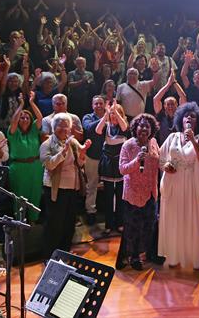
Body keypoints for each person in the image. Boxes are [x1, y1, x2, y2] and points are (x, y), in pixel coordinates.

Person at [158, 102, 199, 270]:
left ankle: (196, 259)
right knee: (175, 219)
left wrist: (193, 140)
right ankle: (174, 256)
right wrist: (166, 166)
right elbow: (161, 157)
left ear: (198, 121)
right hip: (173, 182)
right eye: (186, 116)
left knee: (191, 220)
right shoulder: (172, 137)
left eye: (193, 116)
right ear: (180, 119)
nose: (189, 118)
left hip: (191, 184)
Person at [39, 113, 92, 257]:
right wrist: (63, 151)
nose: (63, 129)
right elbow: (49, 164)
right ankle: (50, 256)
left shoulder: (72, 142)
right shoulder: (47, 144)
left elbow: (79, 163)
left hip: (72, 188)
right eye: (60, 126)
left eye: (66, 126)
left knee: (69, 224)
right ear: (53, 127)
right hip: (55, 189)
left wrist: (83, 152)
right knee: (54, 224)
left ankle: (64, 253)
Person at [116, 114, 161, 271]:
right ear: (135, 128)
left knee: (149, 226)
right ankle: (133, 257)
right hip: (133, 194)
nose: (144, 129)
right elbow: (122, 169)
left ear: (151, 129)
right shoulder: (128, 145)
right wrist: (137, 161)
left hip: (150, 193)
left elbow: (158, 162)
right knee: (132, 229)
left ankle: (148, 254)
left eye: (147, 126)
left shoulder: (153, 143)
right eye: (141, 126)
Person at [7, 91, 44, 221]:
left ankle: (33, 220)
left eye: (27, 118)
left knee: (35, 193)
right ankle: (19, 221)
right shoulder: (13, 132)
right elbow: (14, 121)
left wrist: (32, 102)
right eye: (22, 117)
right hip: (19, 167)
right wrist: (21, 104)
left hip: (35, 166)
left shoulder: (33, 130)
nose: (25, 119)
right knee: (19, 195)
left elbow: (40, 118)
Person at [96, 102, 129, 234]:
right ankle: (109, 224)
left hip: (120, 163)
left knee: (121, 196)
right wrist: (106, 114)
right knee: (108, 197)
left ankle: (120, 223)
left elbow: (124, 127)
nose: (114, 116)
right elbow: (97, 130)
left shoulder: (123, 125)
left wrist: (115, 111)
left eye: (117, 114)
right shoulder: (106, 126)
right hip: (109, 164)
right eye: (112, 115)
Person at [81, 95, 106, 224]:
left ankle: (109, 212)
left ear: (105, 105)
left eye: (101, 103)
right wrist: (104, 118)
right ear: (92, 105)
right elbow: (90, 129)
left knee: (110, 185)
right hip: (92, 156)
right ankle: (90, 212)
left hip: (107, 158)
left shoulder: (111, 117)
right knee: (92, 185)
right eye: (96, 104)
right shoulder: (87, 117)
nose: (99, 106)